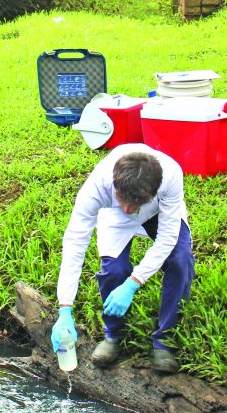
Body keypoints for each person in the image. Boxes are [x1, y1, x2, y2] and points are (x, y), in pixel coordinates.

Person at [50, 143, 194, 375]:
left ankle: (164, 340)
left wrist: (133, 283)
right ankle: (113, 335)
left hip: (157, 211)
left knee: (180, 260)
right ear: (115, 185)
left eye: (134, 204)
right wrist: (65, 307)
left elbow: (167, 238)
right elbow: (75, 242)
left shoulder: (171, 175)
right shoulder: (97, 188)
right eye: (123, 199)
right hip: (112, 216)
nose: (128, 209)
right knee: (114, 270)